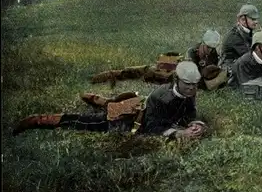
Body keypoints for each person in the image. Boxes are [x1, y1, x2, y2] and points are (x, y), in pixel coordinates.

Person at [12, 61, 208, 141]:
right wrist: (179, 133)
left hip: (136, 108)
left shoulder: (189, 93)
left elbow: (189, 113)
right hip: (126, 121)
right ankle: (39, 120)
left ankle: (98, 99)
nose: (192, 88)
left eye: (195, 84)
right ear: (176, 81)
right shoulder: (160, 97)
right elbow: (151, 128)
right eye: (188, 84)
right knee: (87, 122)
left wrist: (196, 124)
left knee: (114, 103)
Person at [218, 3, 260, 73]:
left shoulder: (246, 31)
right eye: (253, 19)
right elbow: (250, 58)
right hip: (230, 72)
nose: (256, 22)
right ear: (243, 19)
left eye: (256, 19)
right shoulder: (234, 37)